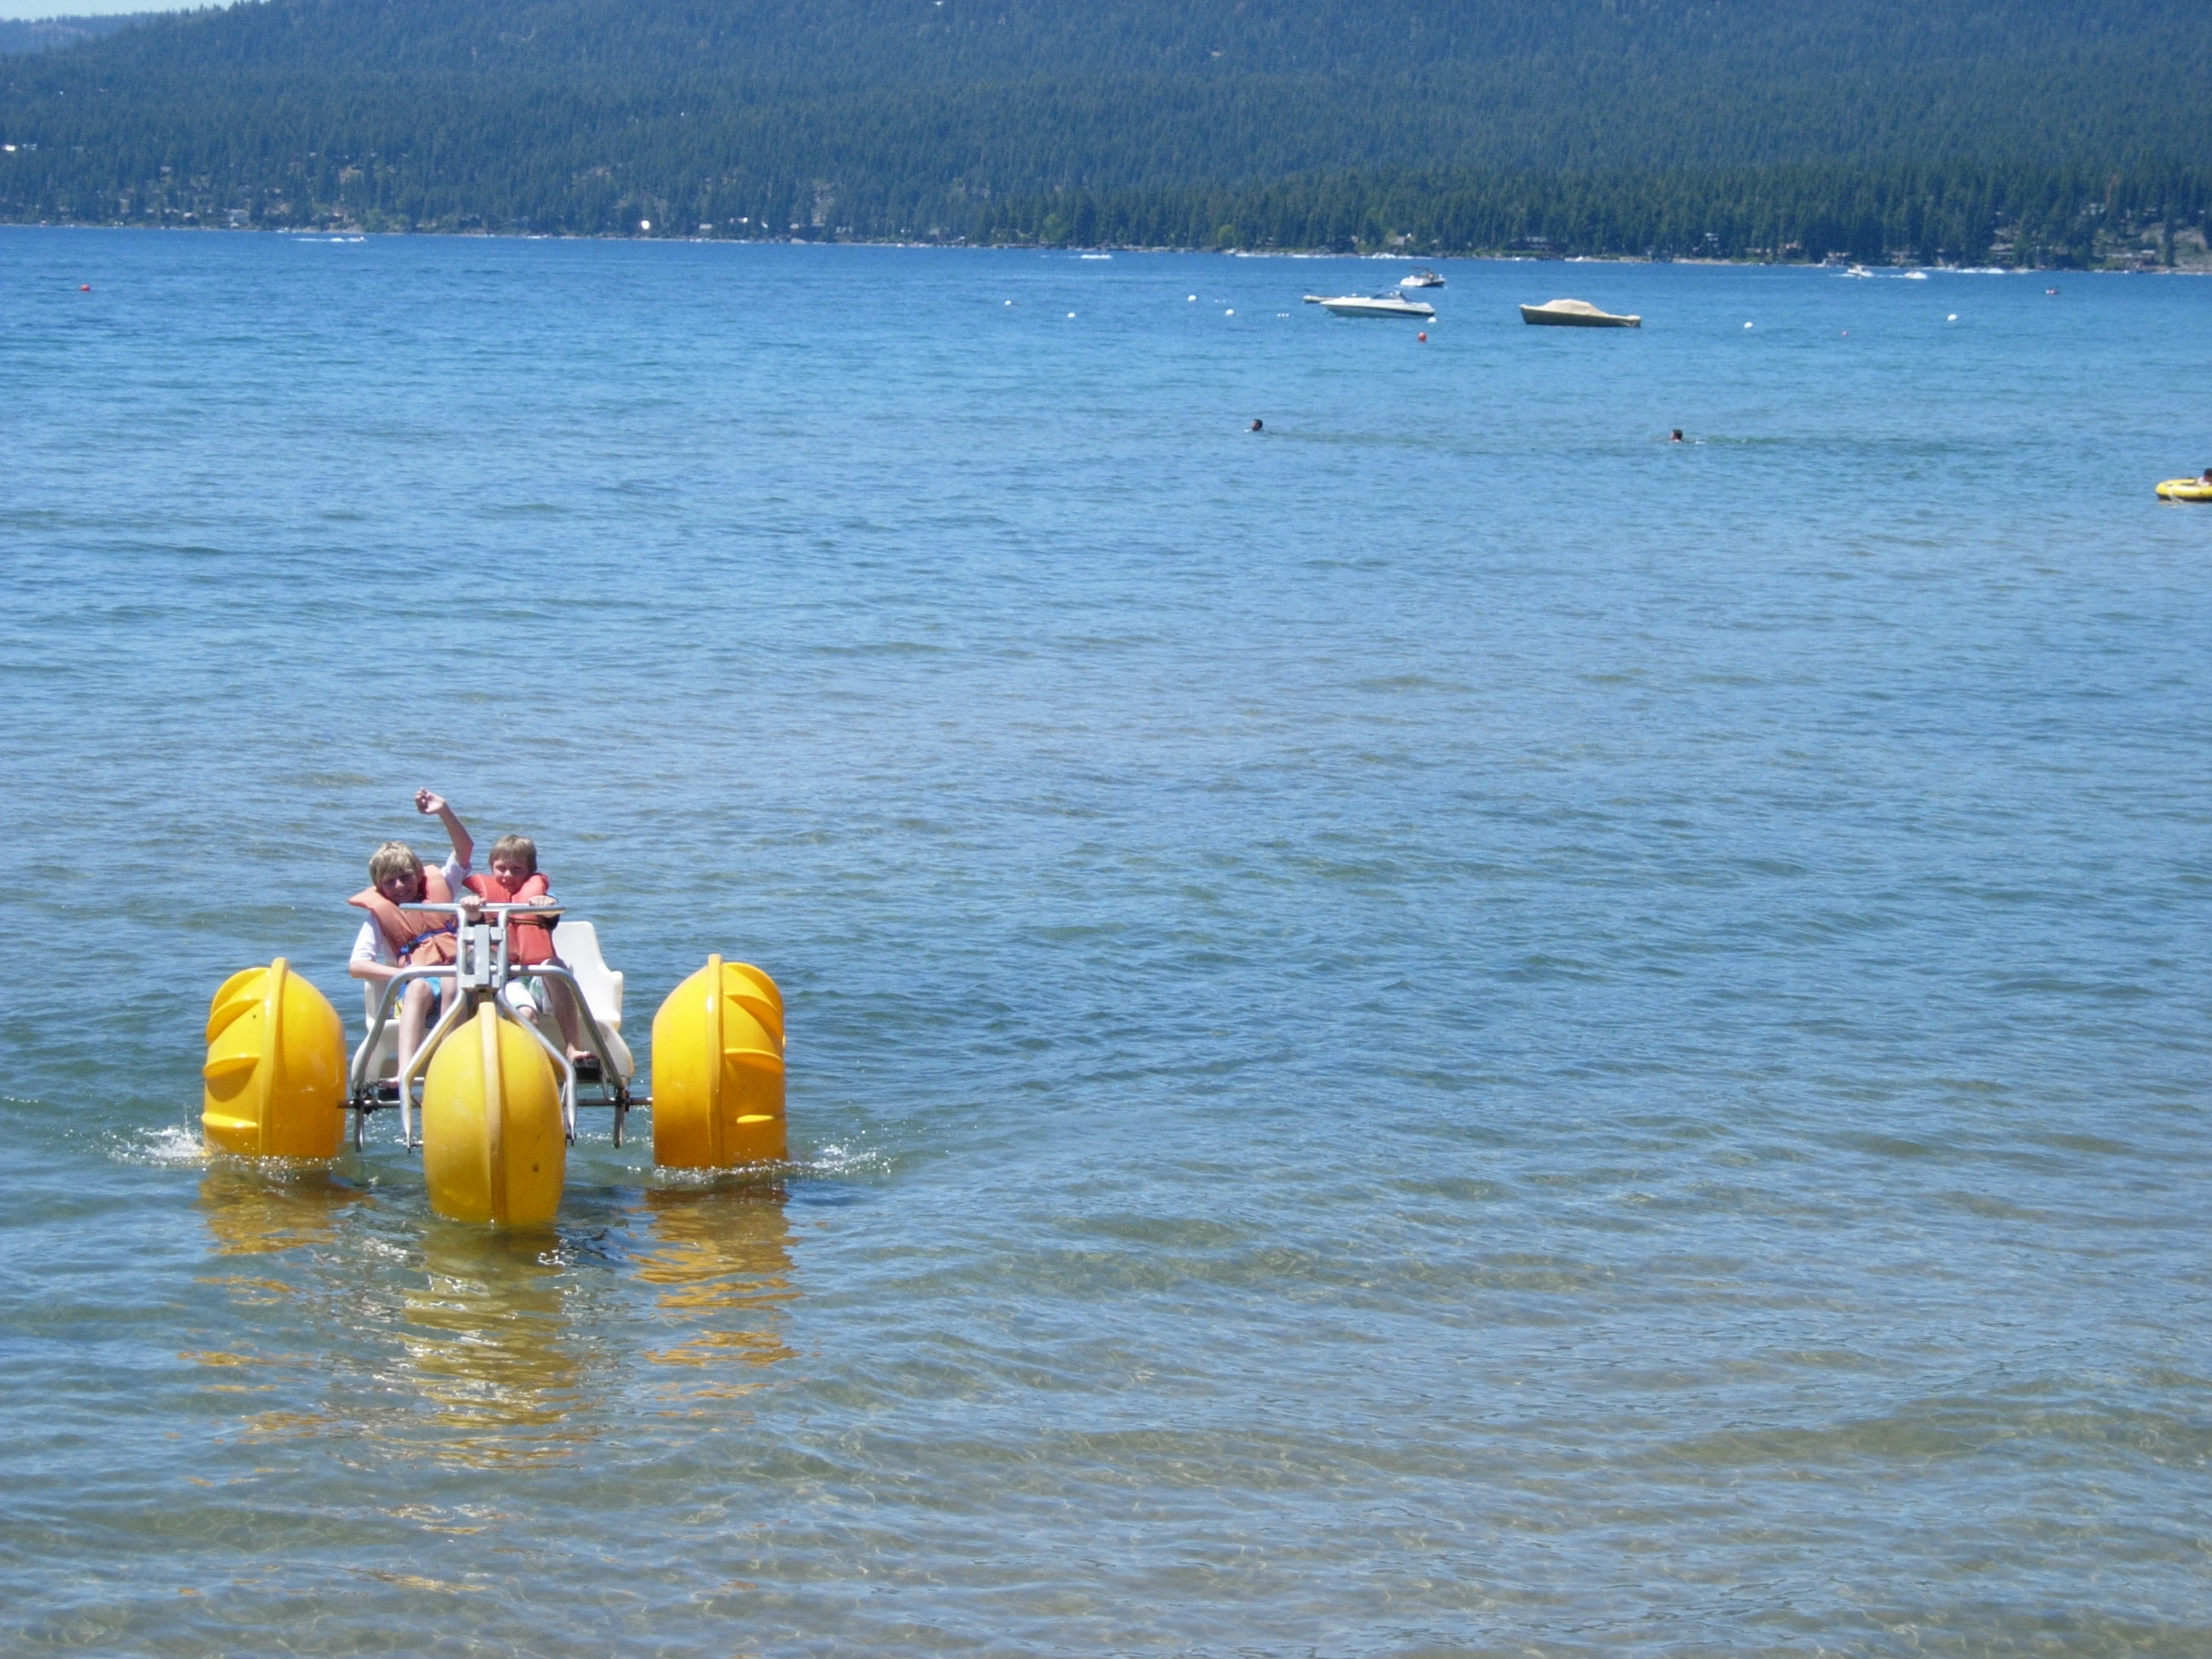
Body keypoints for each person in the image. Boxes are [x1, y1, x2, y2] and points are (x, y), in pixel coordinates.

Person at [348, 789, 474, 1082]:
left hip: (458, 981)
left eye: (405, 877)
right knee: (418, 987)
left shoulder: (443, 886)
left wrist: (444, 811)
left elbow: (465, 849)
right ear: (379, 887)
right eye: (390, 882)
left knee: (451, 981)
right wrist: (404, 972)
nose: (400, 886)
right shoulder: (378, 916)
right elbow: (357, 965)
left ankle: (447, 1065)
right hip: (418, 986)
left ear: (418, 874)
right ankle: (404, 1074)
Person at [465, 833, 593, 1067]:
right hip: (509, 980)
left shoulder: (542, 897)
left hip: (541, 981)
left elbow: (551, 914)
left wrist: (547, 906)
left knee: (554, 966)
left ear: (530, 871)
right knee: (526, 1015)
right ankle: (528, 1066)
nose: (507, 875)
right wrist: (473, 913)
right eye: (501, 868)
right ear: (491, 868)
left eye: (517, 870)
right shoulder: (481, 902)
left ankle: (572, 1048)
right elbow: (474, 928)